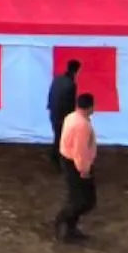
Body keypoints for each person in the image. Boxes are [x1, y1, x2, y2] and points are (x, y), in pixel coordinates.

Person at [54, 92, 97, 243]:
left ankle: (69, 226)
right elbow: (80, 150)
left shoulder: (72, 117)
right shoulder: (82, 125)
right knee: (83, 200)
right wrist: (84, 170)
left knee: (80, 199)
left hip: (69, 161)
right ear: (90, 107)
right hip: (76, 165)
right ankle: (63, 221)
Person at [46, 59, 80, 171]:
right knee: (62, 139)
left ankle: (54, 158)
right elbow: (70, 105)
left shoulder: (57, 79)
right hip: (62, 115)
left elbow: (51, 96)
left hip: (53, 113)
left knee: (58, 137)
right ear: (77, 71)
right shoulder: (71, 85)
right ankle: (59, 162)